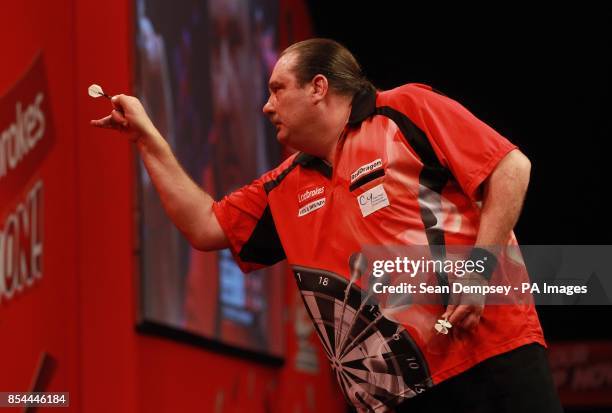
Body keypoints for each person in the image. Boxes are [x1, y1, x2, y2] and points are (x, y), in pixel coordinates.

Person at [91, 38, 562, 413]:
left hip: (489, 358)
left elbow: (509, 167)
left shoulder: (405, 109)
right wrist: (147, 139)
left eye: (277, 89)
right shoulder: (284, 187)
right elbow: (205, 226)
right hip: (393, 397)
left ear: (318, 87)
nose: (266, 107)